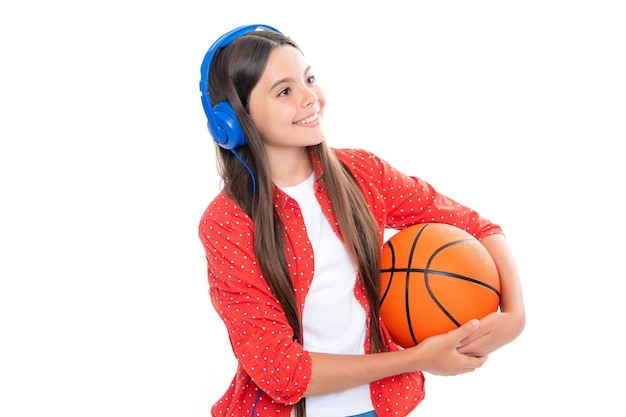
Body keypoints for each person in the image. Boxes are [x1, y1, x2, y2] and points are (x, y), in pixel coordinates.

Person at [197, 24, 525, 417]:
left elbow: (477, 226)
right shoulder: (227, 222)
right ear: (231, 122)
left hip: (382, 406)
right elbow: (283, 372)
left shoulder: (363, 174)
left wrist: (515, 315)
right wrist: (418, 359)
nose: (310, 98)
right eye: (284, 91)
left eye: (309, 78)